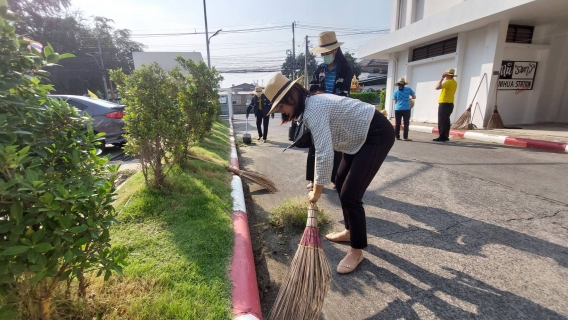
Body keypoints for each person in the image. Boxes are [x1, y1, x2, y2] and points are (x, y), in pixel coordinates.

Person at [264, 73, 395, 274]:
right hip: (356, 137)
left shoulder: (313, 109)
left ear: (292, 96)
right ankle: (350, 232)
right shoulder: (309, 105)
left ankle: (356, 250)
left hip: (375, 133)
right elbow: (326, 147)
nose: (284, 112)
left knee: (350, 194)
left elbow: (324, 153)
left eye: (282, 106)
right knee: (340, 180)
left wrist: (316, 192)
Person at [305, 31, 353, 191]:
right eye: (322, 53)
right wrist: (320, 94)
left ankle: (335, 179)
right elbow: (312, 88)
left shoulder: (345, 68)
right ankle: (313, 179)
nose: (324, 56)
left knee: (336, 147)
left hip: (338, 112)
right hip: (319, 112)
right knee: (316, 146)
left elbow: (345, 92)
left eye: (327, 53)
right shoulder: (320, 69)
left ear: (335, 51)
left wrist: (326, 96)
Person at [434, 68, 458, 142]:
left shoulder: (448, 82)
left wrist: (441, 78)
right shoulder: (454, 82)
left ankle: (442, 136)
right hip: (450, 103)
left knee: (442, 120)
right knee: (446, 120)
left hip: (444, 103)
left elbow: (437, 87)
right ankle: (446, 135)